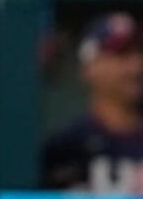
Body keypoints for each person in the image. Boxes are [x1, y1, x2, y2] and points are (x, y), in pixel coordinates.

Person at [43, 12, 143, 193]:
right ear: (89, 68)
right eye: (122, 55)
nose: (136, 66)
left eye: (139, 52)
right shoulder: (66, 147)